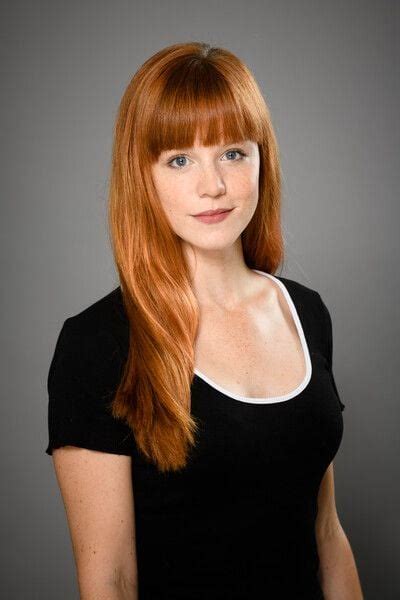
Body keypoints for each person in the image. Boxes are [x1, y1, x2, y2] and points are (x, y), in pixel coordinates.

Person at [45, 41, 363, 599]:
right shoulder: (96, 344)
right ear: (141, 175)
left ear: (263, 159)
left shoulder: (305, 312)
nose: (212, 185)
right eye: (179, 160)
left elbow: (326, 533)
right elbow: (110, 579)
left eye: (233, 153)